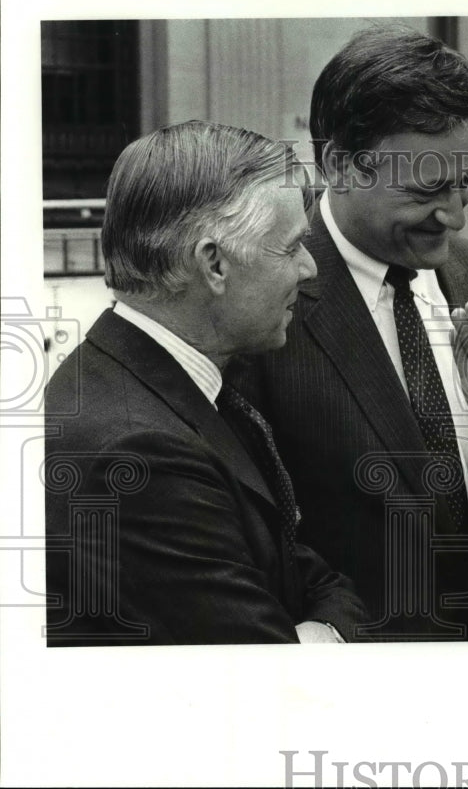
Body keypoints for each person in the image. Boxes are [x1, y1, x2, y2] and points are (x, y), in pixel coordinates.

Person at [226, 27, 468, 641]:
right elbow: (249, 543)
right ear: (339, 165)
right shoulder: (263, 300)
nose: (457, 215)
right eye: (425, 189)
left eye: (465, 180)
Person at [45, 121, 368, 646]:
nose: (309, 269)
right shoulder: (138, 452)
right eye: (290, 249)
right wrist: (320, 638)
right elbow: (266, 679)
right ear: (214, 263)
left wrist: (321, 630)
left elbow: (311, 575)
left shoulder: (166, 385)